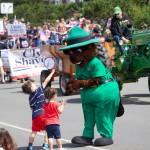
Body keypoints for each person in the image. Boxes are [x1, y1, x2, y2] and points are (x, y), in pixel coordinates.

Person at [59, 26, 120, 146]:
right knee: (88, 116)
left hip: (104, 92)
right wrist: (72, 84)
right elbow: (79, 78)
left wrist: (80, 84)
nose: (73, 56)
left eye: (77, 51)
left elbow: (97, 80)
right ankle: (87, 136)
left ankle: (106, 135)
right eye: (71, 52)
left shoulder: (95, 63)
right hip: (88, 95)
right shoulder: (79, 64)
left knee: (102, 115)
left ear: (90, 48)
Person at [21, 69, 55, 150]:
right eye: (33, 84)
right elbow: (46, 81)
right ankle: (45, 145)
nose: (35, 84)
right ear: (32, 87)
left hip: (35, 116)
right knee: (47, 130)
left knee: (33, 132)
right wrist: (52, 73)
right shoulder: (39, 90)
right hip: (43, 113)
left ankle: (30, 146)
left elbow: (31, 108)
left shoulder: (30, 97)